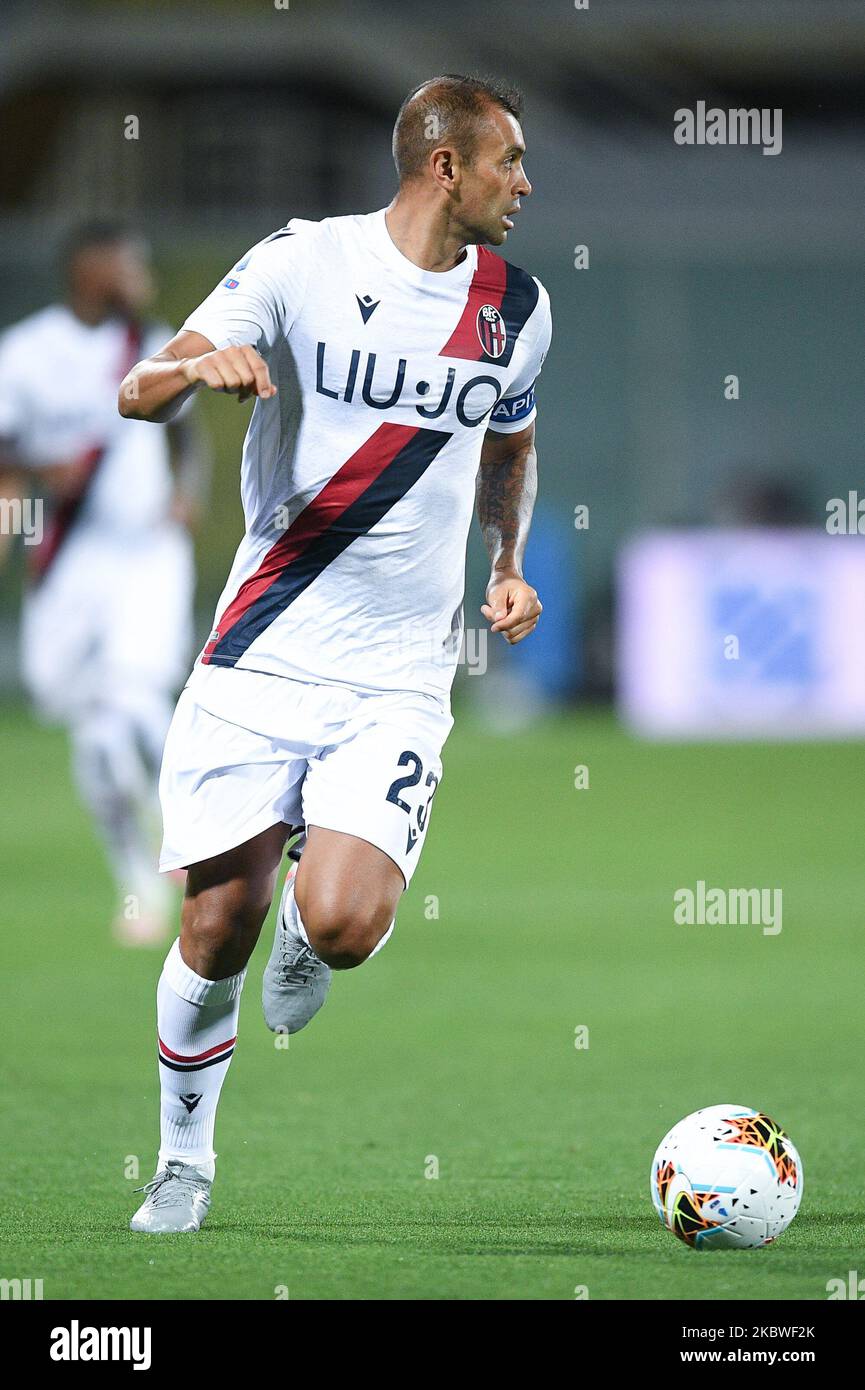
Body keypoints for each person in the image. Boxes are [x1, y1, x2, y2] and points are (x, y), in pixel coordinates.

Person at [119, 75, 552, 1233]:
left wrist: (506, 560)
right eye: (508, 160)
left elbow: (509, 443)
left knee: (348, 923)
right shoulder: (303, 262)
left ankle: (314, 924)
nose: (525, 182)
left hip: (400, 670)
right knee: (213, 931)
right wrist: (189, 372)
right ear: (443, 164)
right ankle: (183, 1160)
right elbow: (138, 386)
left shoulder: (515, 302)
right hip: (264, 647)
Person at [0, 222, 209, 944]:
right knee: (90, 727)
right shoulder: (25, 353)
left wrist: (187, 491)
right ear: (91, 271)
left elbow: (187, 436)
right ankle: (135, 875)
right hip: (66, 559)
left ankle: (188, 838)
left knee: (135, 694)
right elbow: (6, 460)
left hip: (146, 554)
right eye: (128, 263)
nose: (139, 273)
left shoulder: (153, 343)